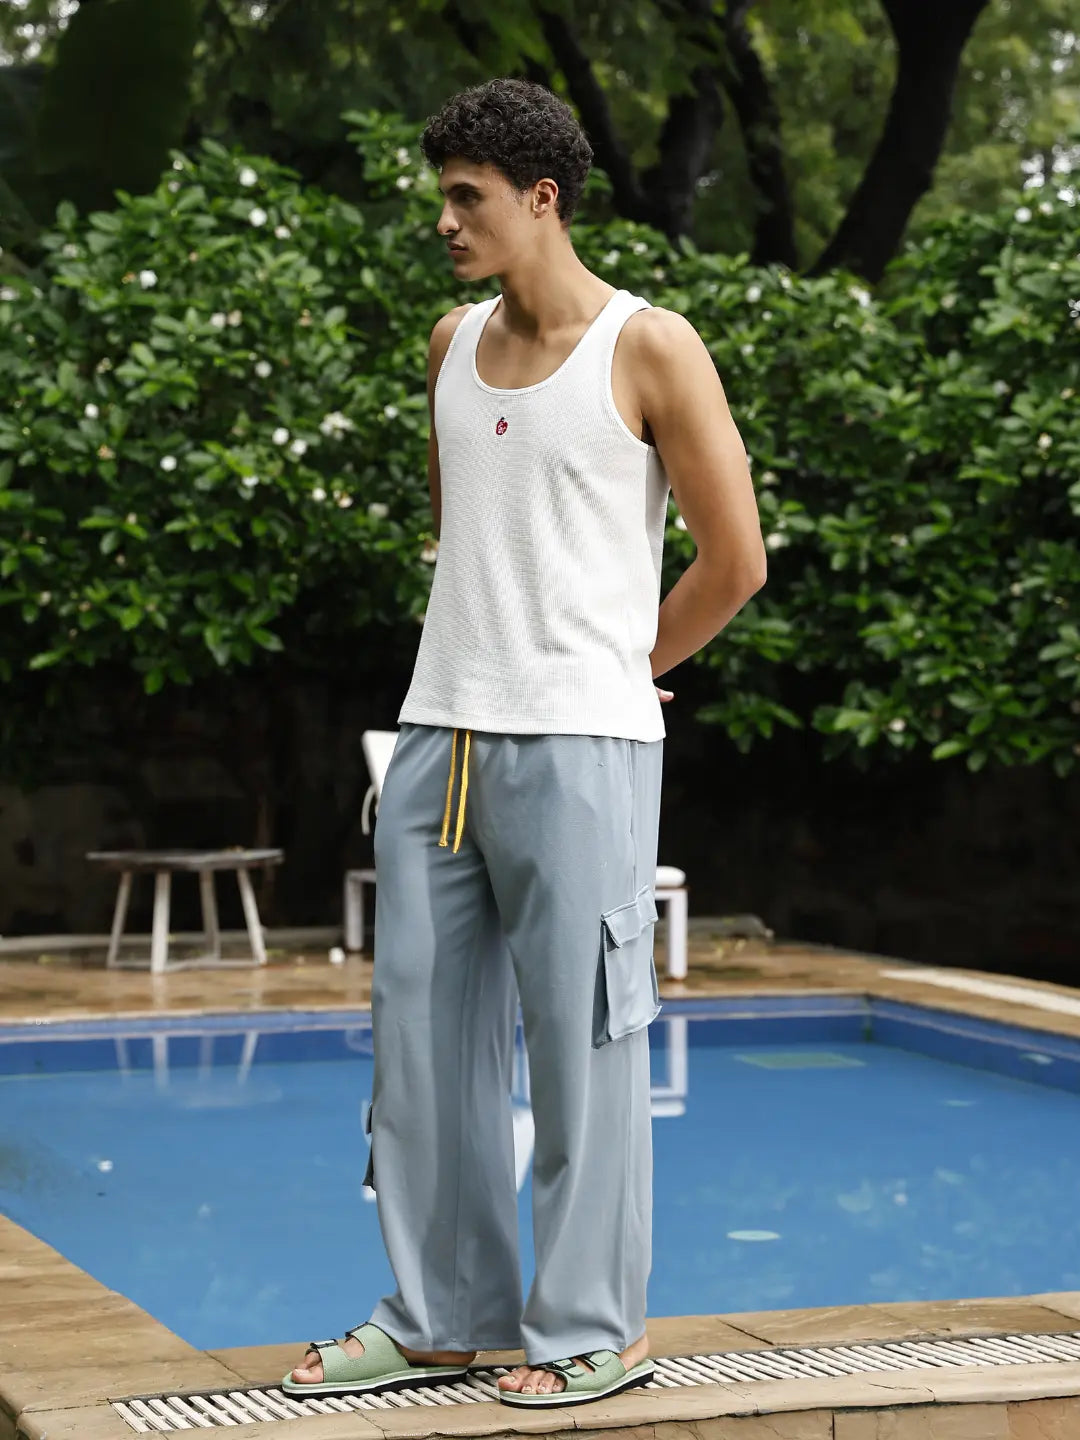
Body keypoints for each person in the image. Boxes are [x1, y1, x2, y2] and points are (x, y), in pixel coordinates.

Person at [284, 76, 766, 1410]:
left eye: (466, 197)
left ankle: (593, 1329)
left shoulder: (649, 347)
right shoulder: (448, 343)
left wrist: (626, 665)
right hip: (440, 740)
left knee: (585, 1046)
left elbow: (736, 562)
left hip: (584, 749)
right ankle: (440, 1316)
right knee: (422, 1050)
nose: (443, 220)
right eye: (441, 194)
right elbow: (471, 542)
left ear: (540, 199)